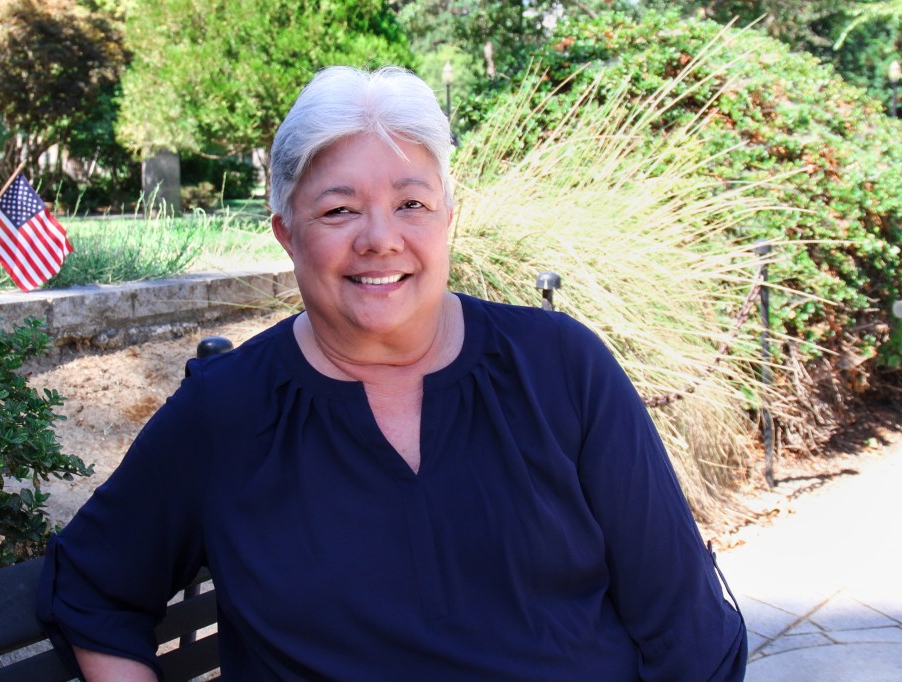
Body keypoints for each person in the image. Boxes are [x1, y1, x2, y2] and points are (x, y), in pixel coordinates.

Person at [38, 65, 747, 681]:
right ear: (287, 231)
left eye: (411, 203)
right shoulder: (228, 414)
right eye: (339, 209)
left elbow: (683, 624)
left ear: (447, 218)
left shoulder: (562, 369)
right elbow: (95, 588)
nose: (381, 239)